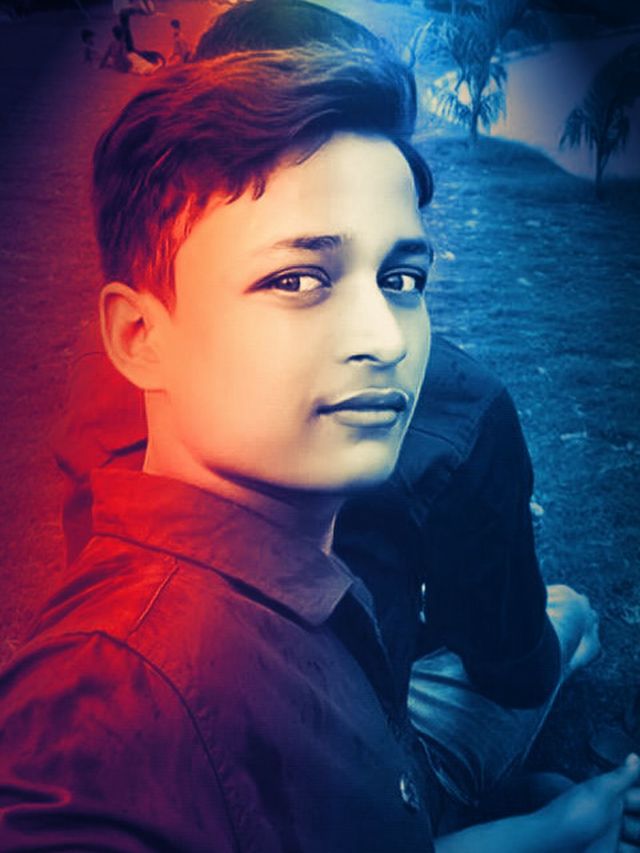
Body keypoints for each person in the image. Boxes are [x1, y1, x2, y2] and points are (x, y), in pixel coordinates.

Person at [1, 17, 639, 852]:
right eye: (297, 279)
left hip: (379, 735)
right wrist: (559, 830)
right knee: (569, 616)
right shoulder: (103, 705)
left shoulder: (293, 573)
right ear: (139, 336)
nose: (385, 337)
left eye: (402, 277)